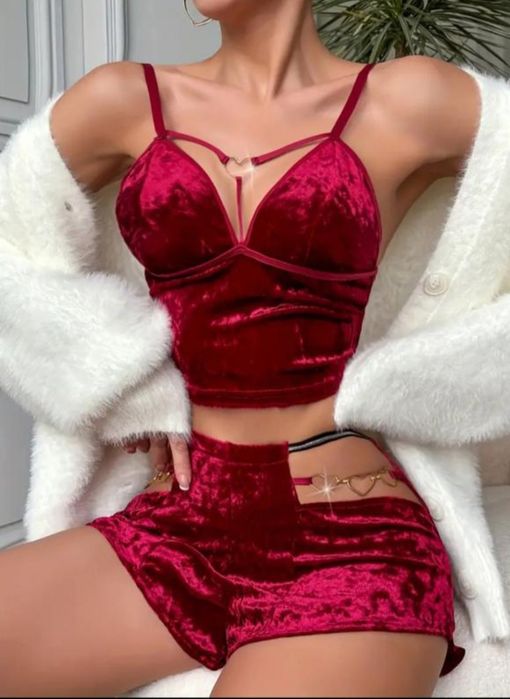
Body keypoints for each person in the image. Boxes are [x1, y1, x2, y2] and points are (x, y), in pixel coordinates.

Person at [0, 0, 493, 696]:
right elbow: (10, 257)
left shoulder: (409, 98)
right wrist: (119, 376)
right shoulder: (122, 99)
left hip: (350, 538)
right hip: (178, 522)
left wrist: (436, 377)